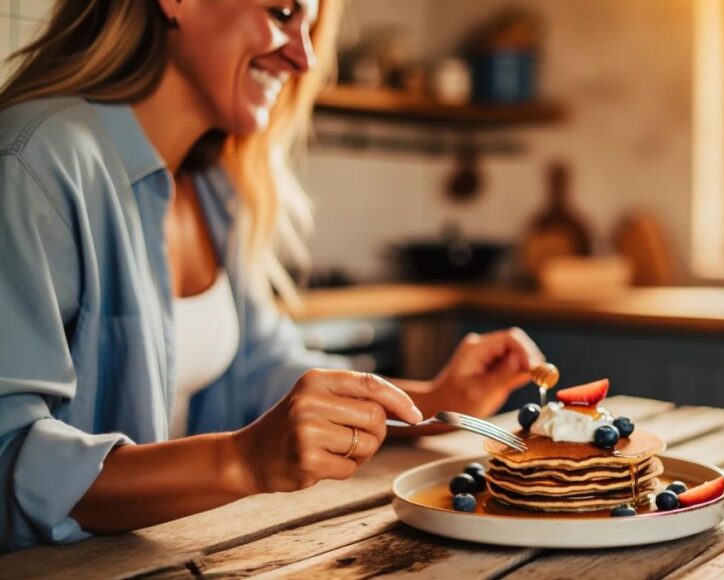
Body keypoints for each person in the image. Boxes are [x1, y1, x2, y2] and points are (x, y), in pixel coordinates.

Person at [0, 0, 544, 552]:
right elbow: (8, 458)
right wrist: (239, 460)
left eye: (309, 29)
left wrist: (436, 402)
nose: (303, 57)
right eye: (282, 12)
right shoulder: (36, 161)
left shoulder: (213, 188)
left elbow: (263, 373)